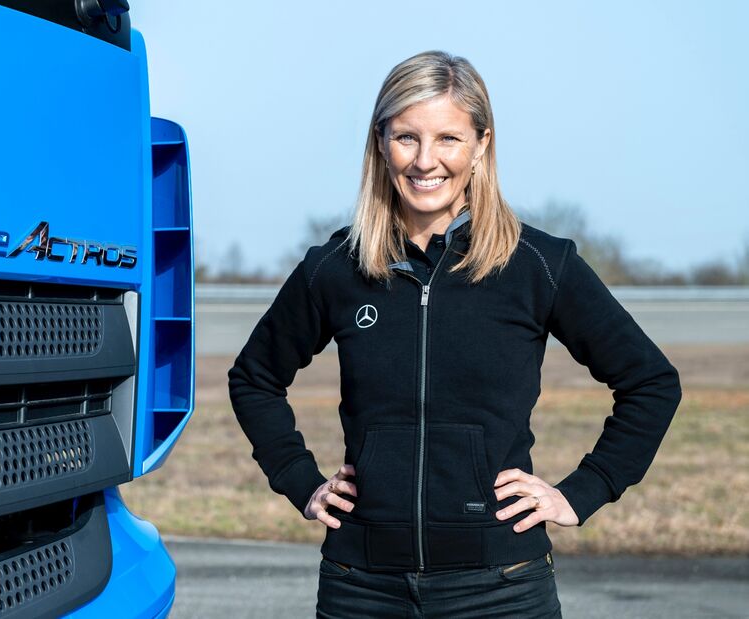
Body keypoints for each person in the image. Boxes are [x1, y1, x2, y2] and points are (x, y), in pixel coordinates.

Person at [226, 50, 682, 618]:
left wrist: (583, 490)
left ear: (481, 145)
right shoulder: (336, 267)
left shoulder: (538, 264)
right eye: (406, 138)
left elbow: (651, 382)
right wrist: (300, 479)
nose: (425, 161)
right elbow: (254, 378)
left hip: (502, 586)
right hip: (361, 586)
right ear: (380, 143)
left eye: (448, 138)